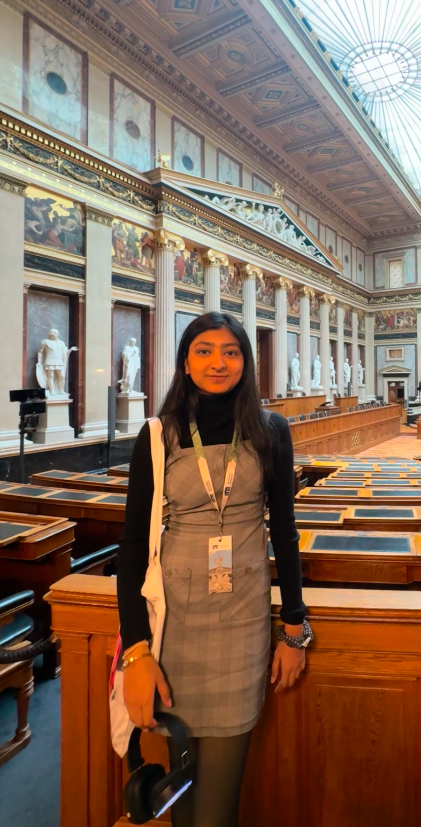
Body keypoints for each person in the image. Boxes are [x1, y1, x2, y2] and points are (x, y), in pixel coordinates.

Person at [116, 312, 308, 827]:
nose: (217, 362)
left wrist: (294, 628)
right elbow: (132, 547)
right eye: (204, 351)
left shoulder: (271, 430)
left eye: (230, 352)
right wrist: (135, 653)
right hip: (173, 624)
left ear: (246, 363)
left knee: (217, 803)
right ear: (185, 362)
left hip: (242, 621)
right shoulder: (157, 435)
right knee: (182, 790)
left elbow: (284, 532)